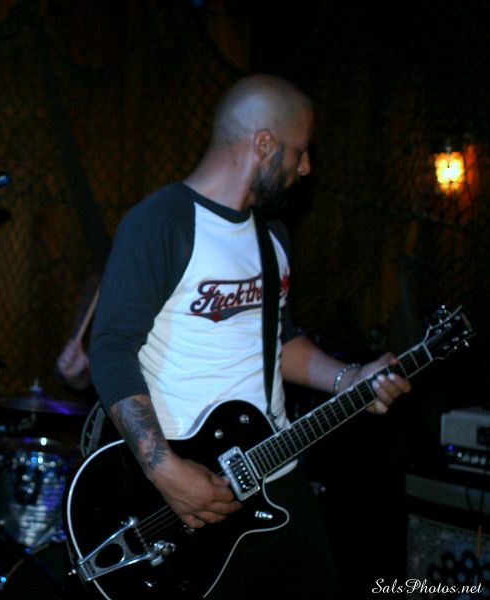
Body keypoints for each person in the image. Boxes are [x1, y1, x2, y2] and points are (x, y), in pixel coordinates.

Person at [88, 74, 412, 598]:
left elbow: (279, 342)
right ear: (264, 144)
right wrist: (164, 469)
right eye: (300, 151)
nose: (305, 168)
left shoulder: (272, 237)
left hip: (276, 473)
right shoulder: (163, 222)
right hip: (189, 490)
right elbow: (109, 349)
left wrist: (351, 379)